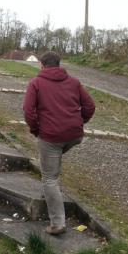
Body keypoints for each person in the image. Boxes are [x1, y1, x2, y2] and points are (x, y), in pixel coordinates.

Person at [22, 51, 95, 235]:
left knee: (50, 178)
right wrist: (79, 123)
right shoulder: (74, 82)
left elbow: (28, 111)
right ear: (59, 64)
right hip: (74, 136)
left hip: (51, 136)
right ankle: (48, 192)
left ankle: (57, 223)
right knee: (52, 165)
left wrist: (36, 130)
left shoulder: (36, 83)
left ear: (41, 65)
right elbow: (90, 106)